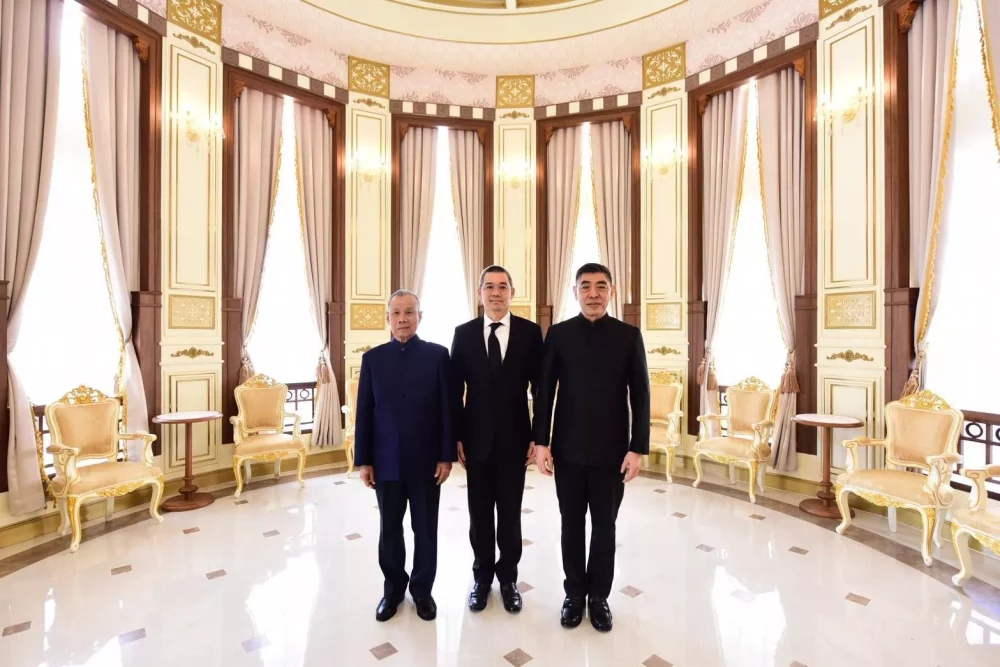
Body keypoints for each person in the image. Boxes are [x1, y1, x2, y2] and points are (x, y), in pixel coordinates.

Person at [533, 262, 650, 632]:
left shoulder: (629, 336)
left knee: (604, 527)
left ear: (611, 292)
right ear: (575, 292)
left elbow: (641, 395)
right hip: (567, 451)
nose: (594, 293)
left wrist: (637, 448)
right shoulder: (559, 334)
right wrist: (541, 442)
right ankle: (573, 594)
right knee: (571, 525)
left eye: (601, 286)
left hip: (612, 454)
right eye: (586, 286)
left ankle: (599, 597)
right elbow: (544, 391)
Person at [354, 290, 457, 623]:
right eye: (396, 313)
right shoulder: (373, 359)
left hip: (427, 463)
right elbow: (364, 413)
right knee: (390, 530)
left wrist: (445, 456)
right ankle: (393, 591)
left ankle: (422, 591)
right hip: (385, 462)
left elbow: (447, 409)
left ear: (419, 317)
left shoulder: (437, 356)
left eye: (409, 312)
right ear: (388, 319)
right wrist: (364, 460)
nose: (402, 319)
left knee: (425, 529)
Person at [450, 265, 543, 613]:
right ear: (479, 294)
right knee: (479, 515)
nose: (496, 293)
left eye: (503, 286)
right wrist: (457, 436)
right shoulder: (463, 334)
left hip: (516, 441)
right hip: (475, 442)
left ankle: (508, 580)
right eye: (489, 286)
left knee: (510, 514)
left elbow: (541, 390)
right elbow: (454, 391)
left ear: (512, 293)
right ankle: (481, 579)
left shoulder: (531, 333)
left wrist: (538, 436)